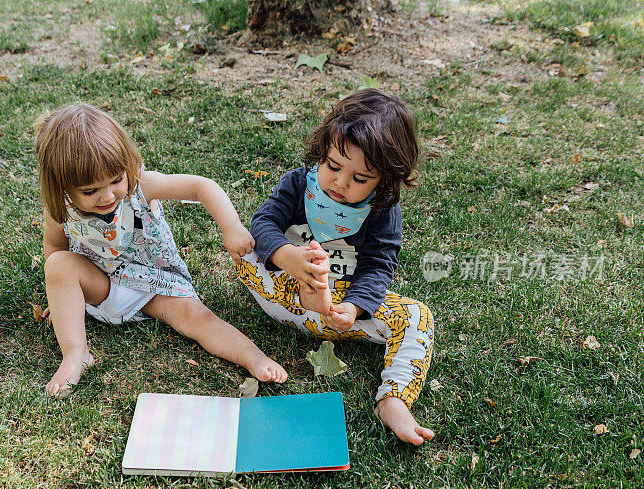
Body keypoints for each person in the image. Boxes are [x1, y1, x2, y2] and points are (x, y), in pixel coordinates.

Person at [34, 103, 287, 397]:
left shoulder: (142, 186)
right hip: (100, 285)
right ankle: (77, 354)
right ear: (61, 185)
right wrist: (64, 294)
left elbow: (201, 186)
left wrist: (231, 227)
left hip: (154, 285)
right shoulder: (60, 207)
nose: (107, 195)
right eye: (89, 191)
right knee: (58, 266)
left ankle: (253, 357)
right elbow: (55, 248)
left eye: (116, 179)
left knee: (199, 319)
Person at [236, 89, 435, 445]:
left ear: (386, 180)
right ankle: (302, 291)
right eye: (333, 166)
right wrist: (287, 258)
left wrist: (353, 308)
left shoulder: (382, 209)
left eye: (361, 179)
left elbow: (378, 265)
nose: (341, 183)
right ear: (322, 151)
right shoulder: (299, 184)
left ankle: (393, 398)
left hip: (336, 310)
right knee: (243, 249)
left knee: (418, 317)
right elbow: (264, 222)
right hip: (282, 288)